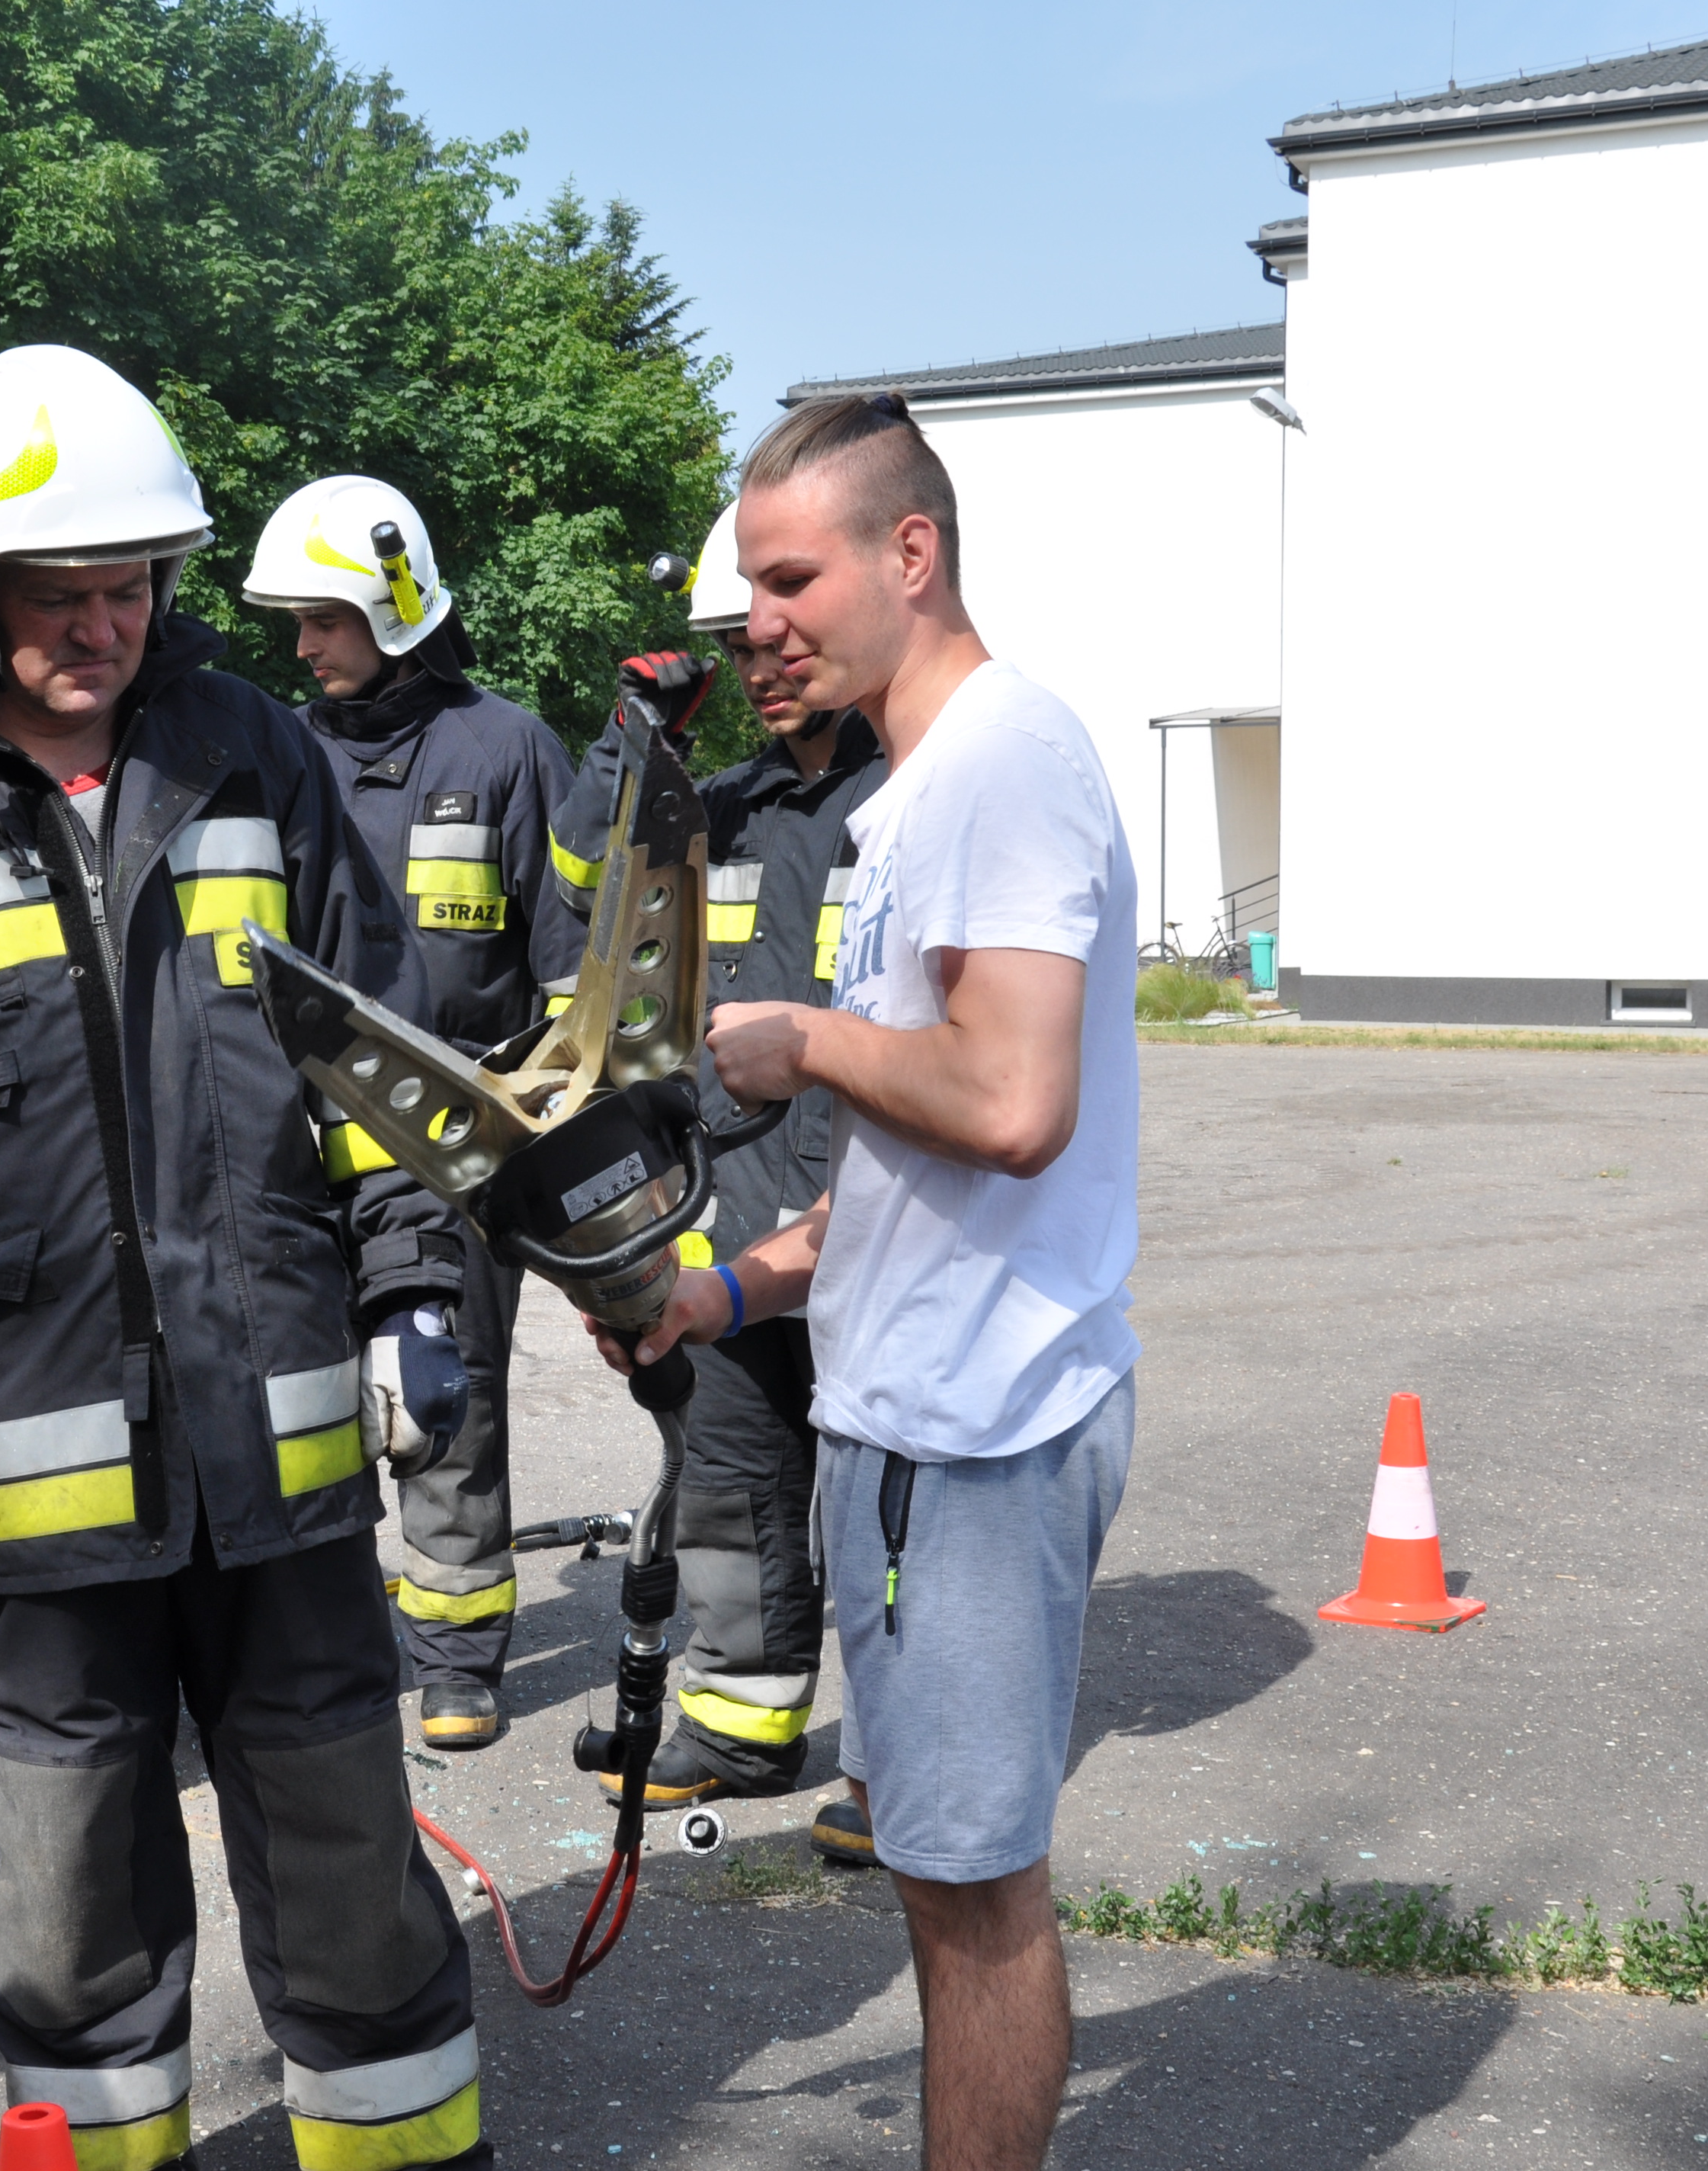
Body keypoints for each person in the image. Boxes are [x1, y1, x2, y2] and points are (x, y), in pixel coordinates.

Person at [0, 345, 493, 2171]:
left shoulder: (254, 758)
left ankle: (403, 2146)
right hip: (36, 1454)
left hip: (275, 1440)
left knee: (342, 1834)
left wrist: (412, 1286)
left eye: (128, 584)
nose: (101, 625)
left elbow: (375, 1057)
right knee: (67, 1883)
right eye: (57, 592)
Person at [584, 390, 1138, 2169]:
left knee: (973, 1900)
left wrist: (805, 1040)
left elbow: (1012, 1103)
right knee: (935, 1874)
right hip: (912, 1425)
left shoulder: (998, 762)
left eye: (788, 579)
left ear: (911, 551)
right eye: (747, 588)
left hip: (979, 1434)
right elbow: (900, 1185)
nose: (755, 624)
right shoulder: (912, 798)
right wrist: (722, 1293)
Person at [544, 501, 886, 1820]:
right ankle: (743, 1730)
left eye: (773, 637)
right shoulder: (719, 805)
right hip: (733, 1218)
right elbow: (583, 895)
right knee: (732, 1484)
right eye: (734, 646)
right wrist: (633, 743)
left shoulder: (909, 794)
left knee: (884, 1506)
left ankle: (897, 1766)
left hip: (865, 1212)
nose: (759, 665)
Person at [245, 476, 587, 1750]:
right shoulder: (274, 755)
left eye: (322, 619)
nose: (302, 647)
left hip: (460, 1142)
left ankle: (455, 1657)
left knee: (450, 1395)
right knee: (306, 1393)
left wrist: (546, 1127)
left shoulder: (507, 751)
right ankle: (337, 1640)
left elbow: (567, 971)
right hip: (300, 1136)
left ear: (393, 610)